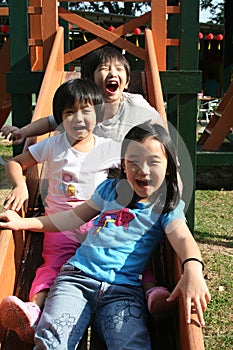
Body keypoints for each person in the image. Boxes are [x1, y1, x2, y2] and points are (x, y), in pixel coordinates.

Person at [0, 122, 211, 350]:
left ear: (169, 166)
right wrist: (23, 222)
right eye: (134, 162)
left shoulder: (166, 206)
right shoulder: (110, 190)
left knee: (131, 344)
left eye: (153, 162)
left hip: (123, 292)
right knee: (52, 340)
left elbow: (183, 238)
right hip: (77, 280)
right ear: (123, 164)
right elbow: (70, 218)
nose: (143, 170)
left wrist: (192, 269)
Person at [0, 78, 121, 343]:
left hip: (96, 225)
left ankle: (148, 289)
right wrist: (20, 185)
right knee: (52, 266)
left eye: (86, 111)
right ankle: (34, 310)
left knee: (118, 254)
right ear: (60, 118)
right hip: (58, 226)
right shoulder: (53, 145)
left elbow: (136, 164)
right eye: (69, 113)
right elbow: (15, 163)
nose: (78, 119)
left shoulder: (107, 148)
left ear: (98, 113)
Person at [0, 45, 165, 147]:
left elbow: (160, 126)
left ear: (127, 81)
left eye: (119, 69)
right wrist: (23, 132)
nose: (113, 73)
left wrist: (169, 156)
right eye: (104, 68)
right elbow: (51, 122)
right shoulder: (84, 107)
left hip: (124, 173)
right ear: (88, 80)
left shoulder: (135, 105)